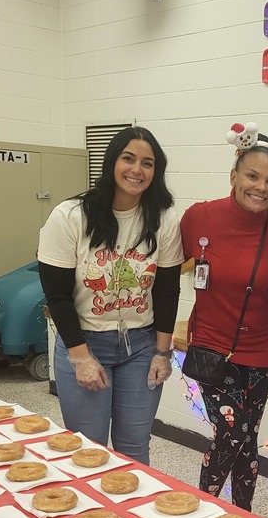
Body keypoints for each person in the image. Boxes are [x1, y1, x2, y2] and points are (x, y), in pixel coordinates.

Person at [38, 126, 183, 466]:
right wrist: (81, 358)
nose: (137, 170)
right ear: (111, 162)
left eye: (147, 163)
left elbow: (166, 290)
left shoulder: (164, 218)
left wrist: (163, 352)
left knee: (135, 449)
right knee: (88, 452)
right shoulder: (70, 215)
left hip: (142, 345)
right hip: (85, 342)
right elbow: (56, 296)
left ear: (156, 171)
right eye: (128, 159)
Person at [180, 124, 268, 512]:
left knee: (245, 438)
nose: (261, 187)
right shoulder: (200, 218)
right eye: (252, 176)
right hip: (213, 350)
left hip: (264, 352)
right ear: (234, 176)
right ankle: (203, 514)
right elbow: (164, 267)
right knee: (231, 434)